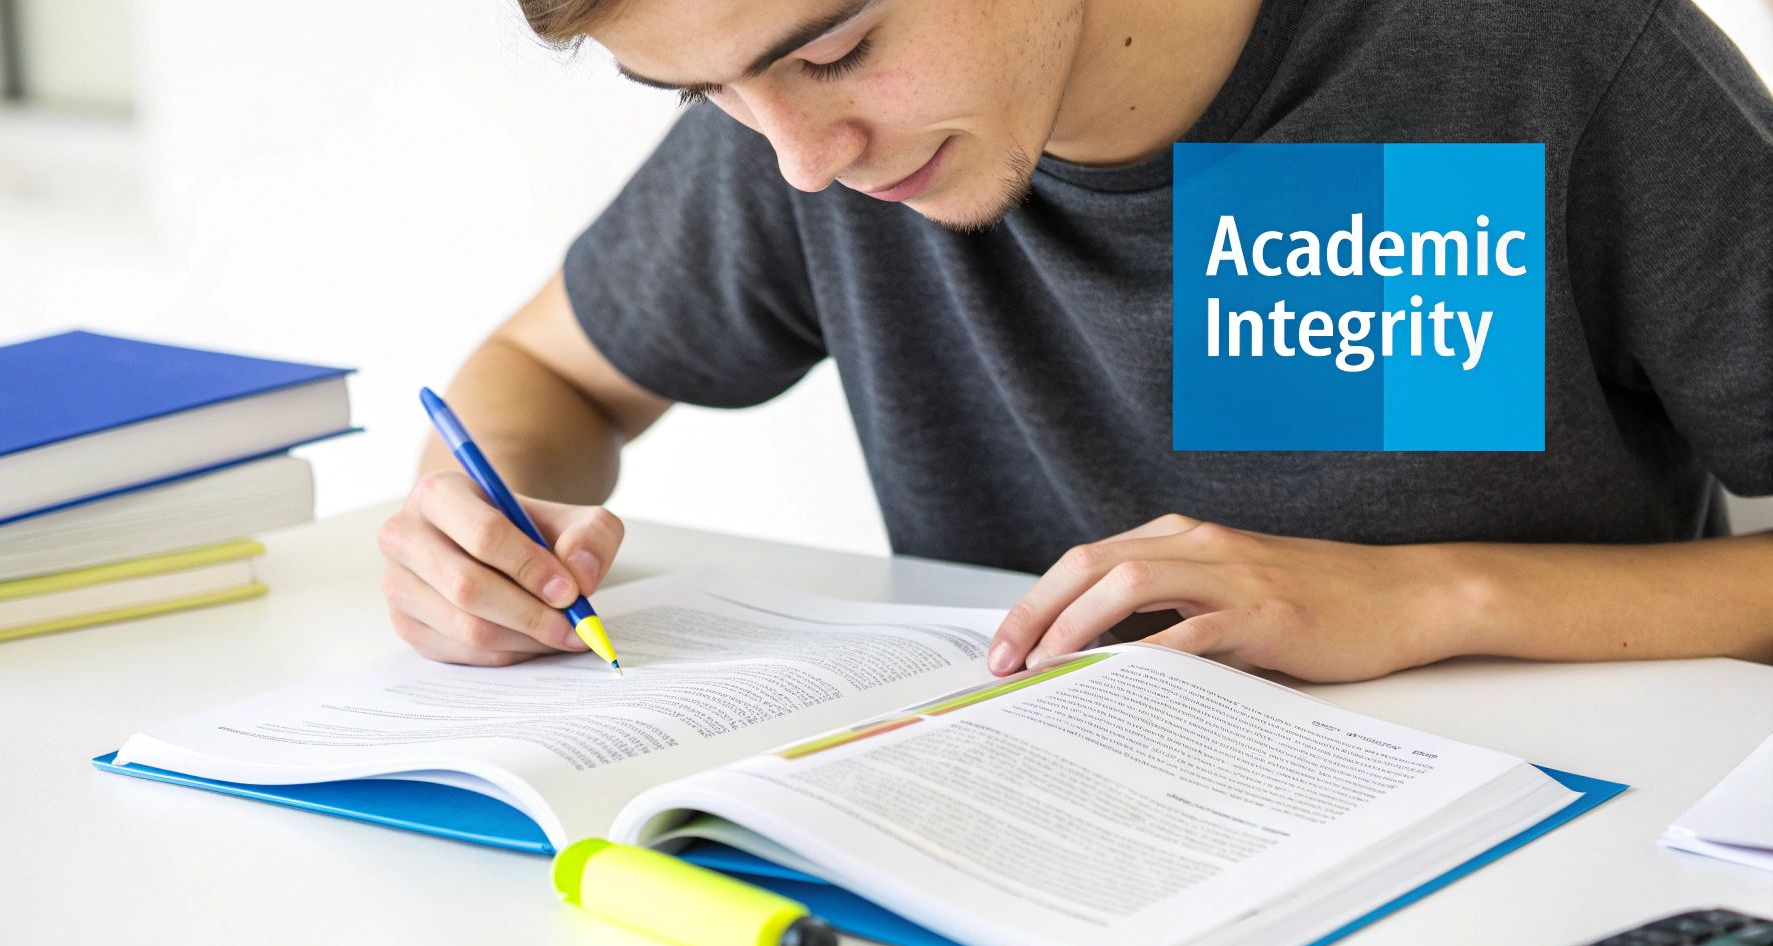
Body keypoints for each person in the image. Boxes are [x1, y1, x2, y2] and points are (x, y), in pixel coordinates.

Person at [377, 0, 1773, 682]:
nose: (801, 159)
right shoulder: (796, 126)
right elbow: (548, 377)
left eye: (840, 47)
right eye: (698, 93)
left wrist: (1436, 599)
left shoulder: (1550, 55)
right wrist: (483, 516)